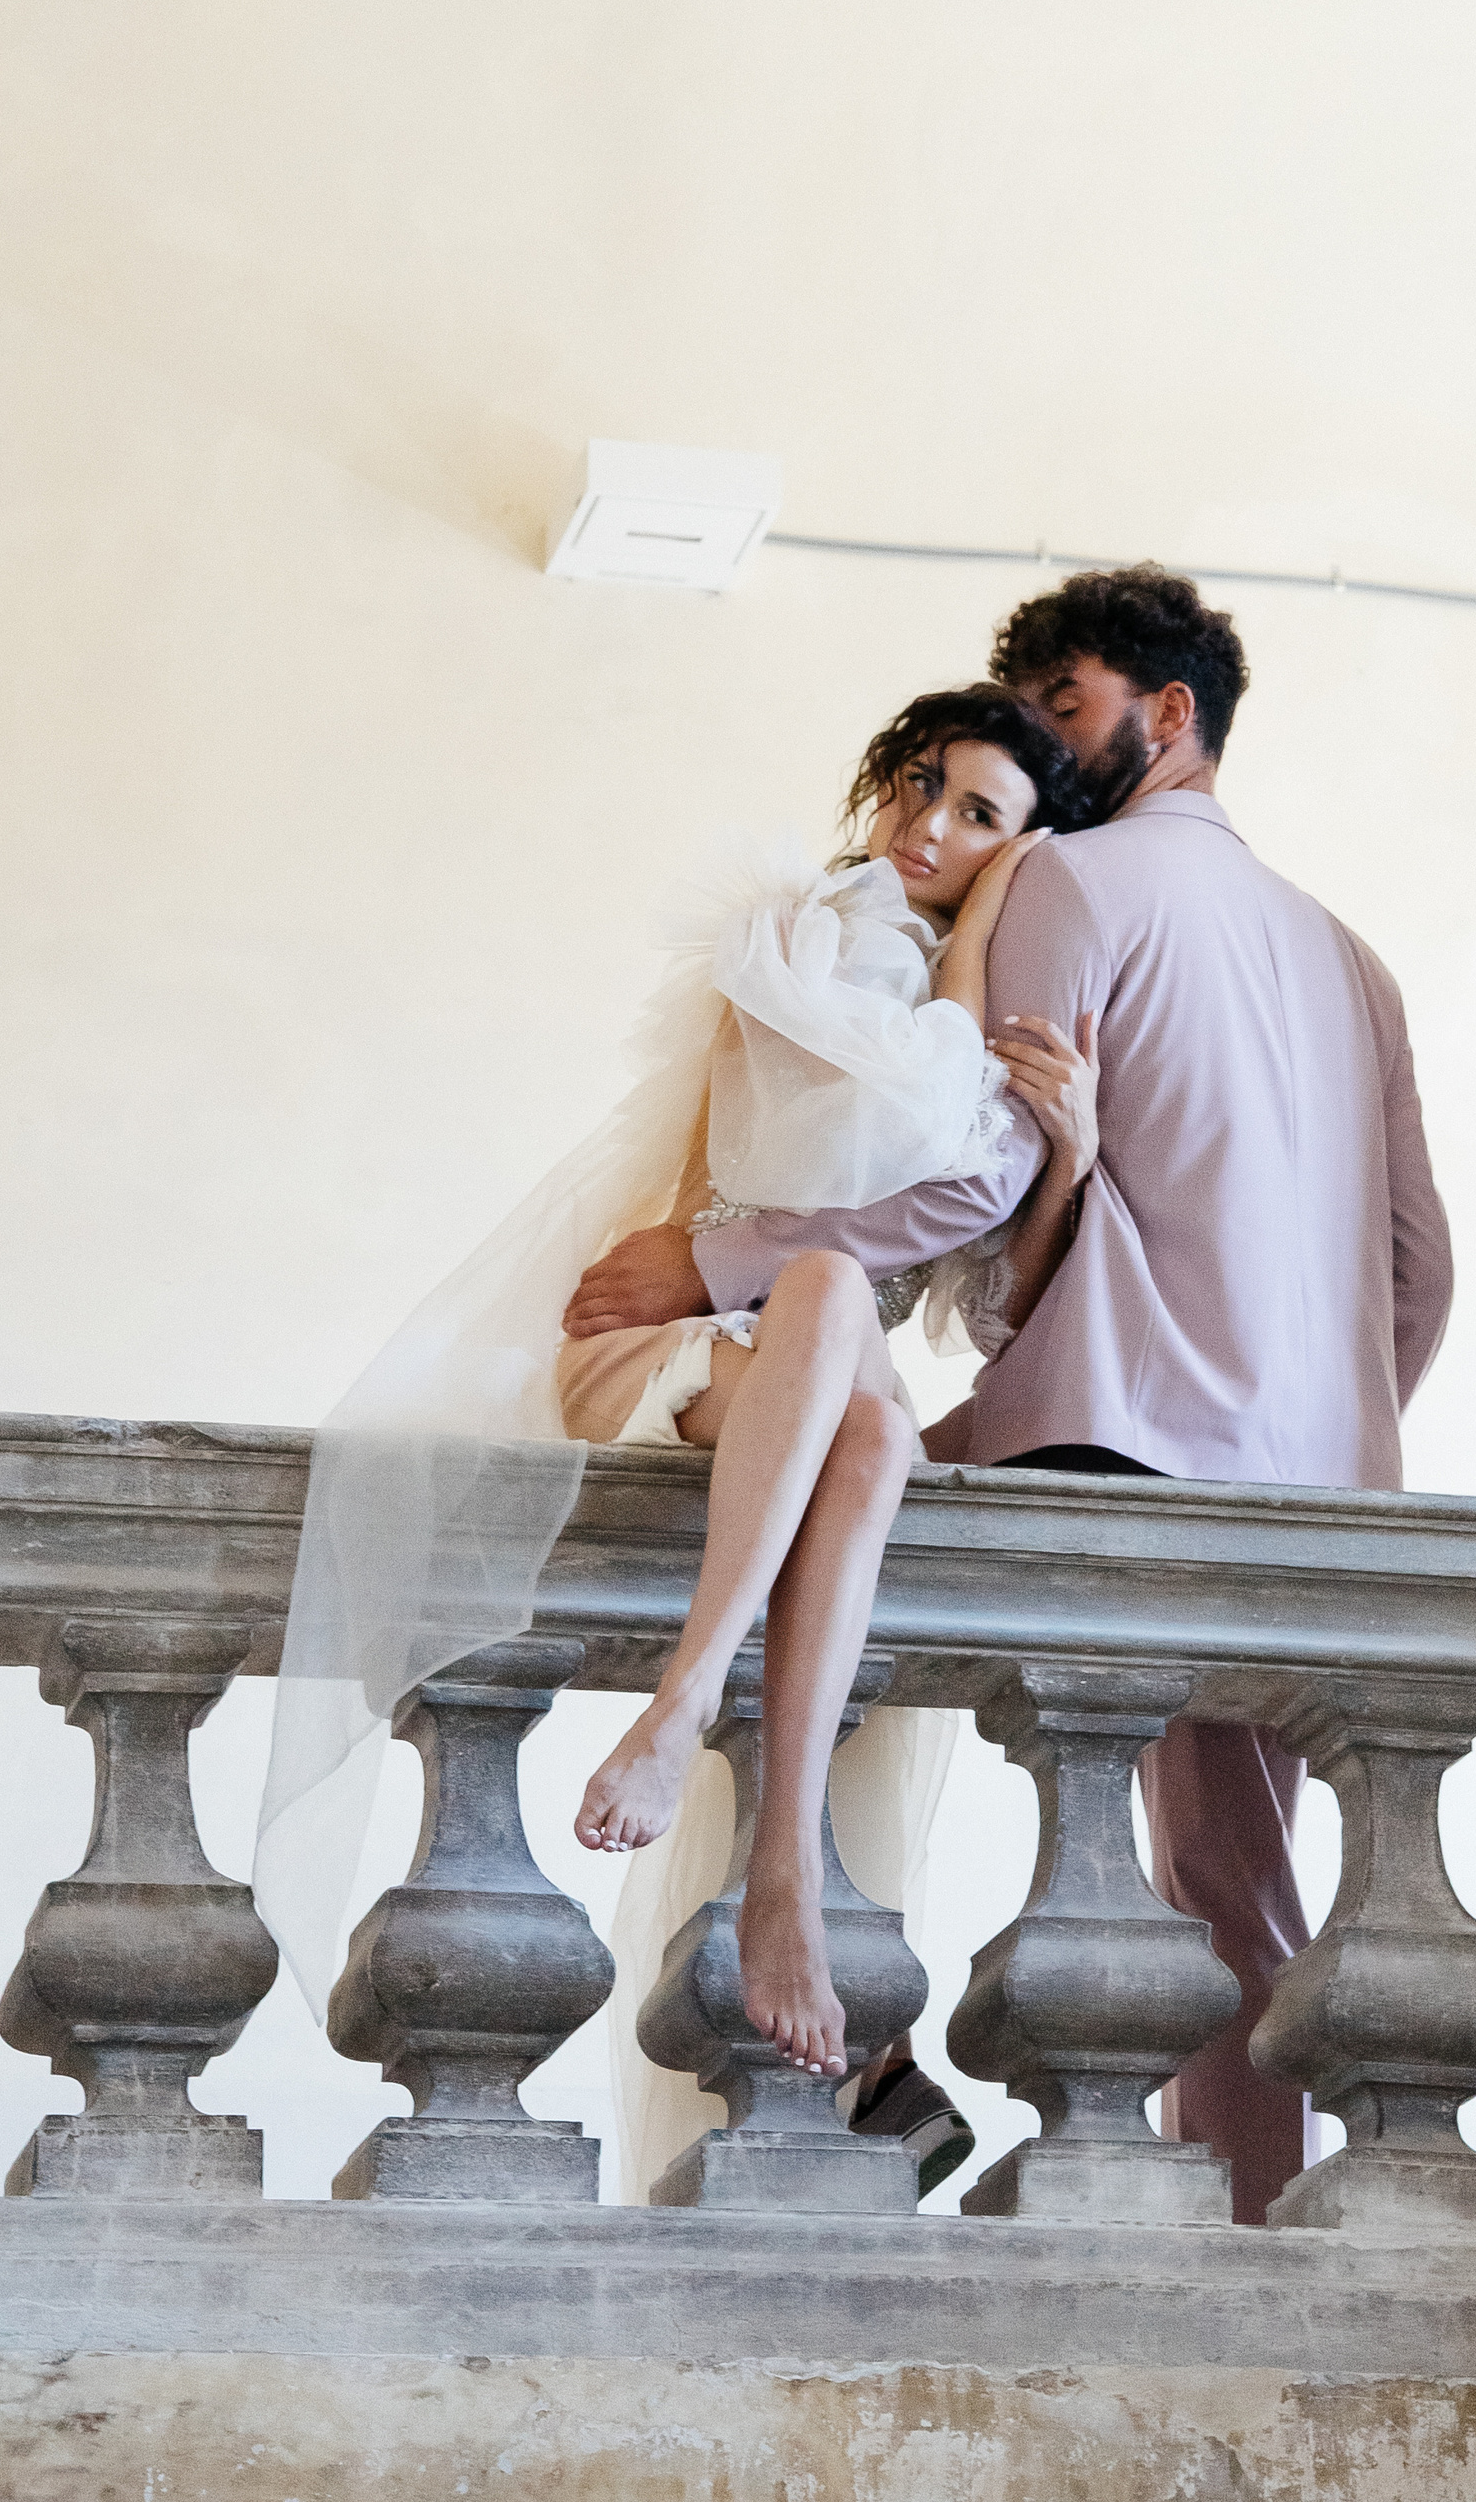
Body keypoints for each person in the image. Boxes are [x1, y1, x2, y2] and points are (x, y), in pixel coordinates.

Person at [568, 564, 1454, 2224]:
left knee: (831, 1530)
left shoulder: (1070, 879)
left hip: (1105, 1426)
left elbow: (970, 1173)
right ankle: (1244, 2226)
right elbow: (1425, 1272)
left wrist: (724, 1264)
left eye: (1066, 709)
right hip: (1321, 1479)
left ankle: (832, 2013)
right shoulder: (1359, 962)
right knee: (1236, 1884)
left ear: (1168, 715)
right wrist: (1319, 1417)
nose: (1044, 756)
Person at [252, 685, 1097, 2110]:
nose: (927, 829)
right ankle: (688, 1698)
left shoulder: (960, 1004)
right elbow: (905, 1149)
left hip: (821, 1382)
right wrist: (1007, 910)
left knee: (877, 1405)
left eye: (977, 819)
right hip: (677, 1337)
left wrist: (1063, 1157)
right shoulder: (799, 930)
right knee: (828, 1290)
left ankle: (784, 1869)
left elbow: (988, 1269)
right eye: (921, 788)